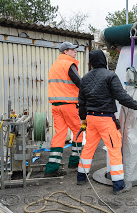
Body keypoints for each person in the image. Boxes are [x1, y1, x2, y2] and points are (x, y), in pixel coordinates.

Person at [77, 49, 137, 195]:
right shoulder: (110, 76)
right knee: (114, 150)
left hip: (91, 119)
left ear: (91, 62)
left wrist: (83, 119)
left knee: (88, 148)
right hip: (105, 120)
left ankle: (81, 177)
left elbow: (81, 101)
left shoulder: (85, 78)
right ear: (103, 61)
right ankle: (118, 185)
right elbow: (122, 97)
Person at [45, 41, 84, 177]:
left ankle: (52, 168)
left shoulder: (54, 65)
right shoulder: (69, 64)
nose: (75, 52)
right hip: (69, 104)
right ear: (65, 51)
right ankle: (74, 162)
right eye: (72, 50)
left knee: (60, 134)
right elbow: (79, 82)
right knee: (78, 131)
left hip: (56, 106)